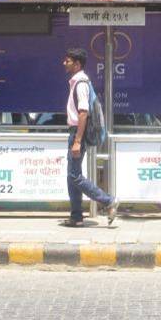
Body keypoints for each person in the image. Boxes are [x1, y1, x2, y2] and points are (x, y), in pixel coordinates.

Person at [60, 48, 119, 227]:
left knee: (75, 176)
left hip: (78, 133)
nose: (64, 63)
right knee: (72, 176)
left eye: (68, 61)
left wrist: (77, 141)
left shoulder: (81, 83)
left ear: (77, 64)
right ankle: (76, 216)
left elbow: (83, 113)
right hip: (76, 132)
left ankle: (108, 201)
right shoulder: (77, 82)